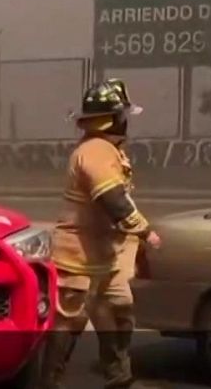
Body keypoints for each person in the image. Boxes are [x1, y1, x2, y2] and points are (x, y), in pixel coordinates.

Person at [39, 79, 164, 389]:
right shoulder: (96, 151)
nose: (127, 123)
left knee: (119, 315)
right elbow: (113, 200)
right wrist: (146, 232)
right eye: (124, 116)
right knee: (68, 323)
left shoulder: (105, 149)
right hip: (77, 258)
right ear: (115, 119)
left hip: (104, 257)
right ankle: (47, 383)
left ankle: (119, 379)